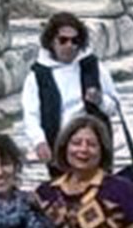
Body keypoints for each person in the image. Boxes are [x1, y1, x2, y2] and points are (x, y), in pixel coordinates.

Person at [28, 13, 124, 171]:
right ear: (52, 41)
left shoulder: (94, 67)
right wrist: (39, 141)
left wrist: (99, 100)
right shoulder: (38, 75)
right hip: (58, 147)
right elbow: (31, 115)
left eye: (75, 41)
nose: (69, 45)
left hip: (94, 148)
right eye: (63, 40)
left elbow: (114, 108)